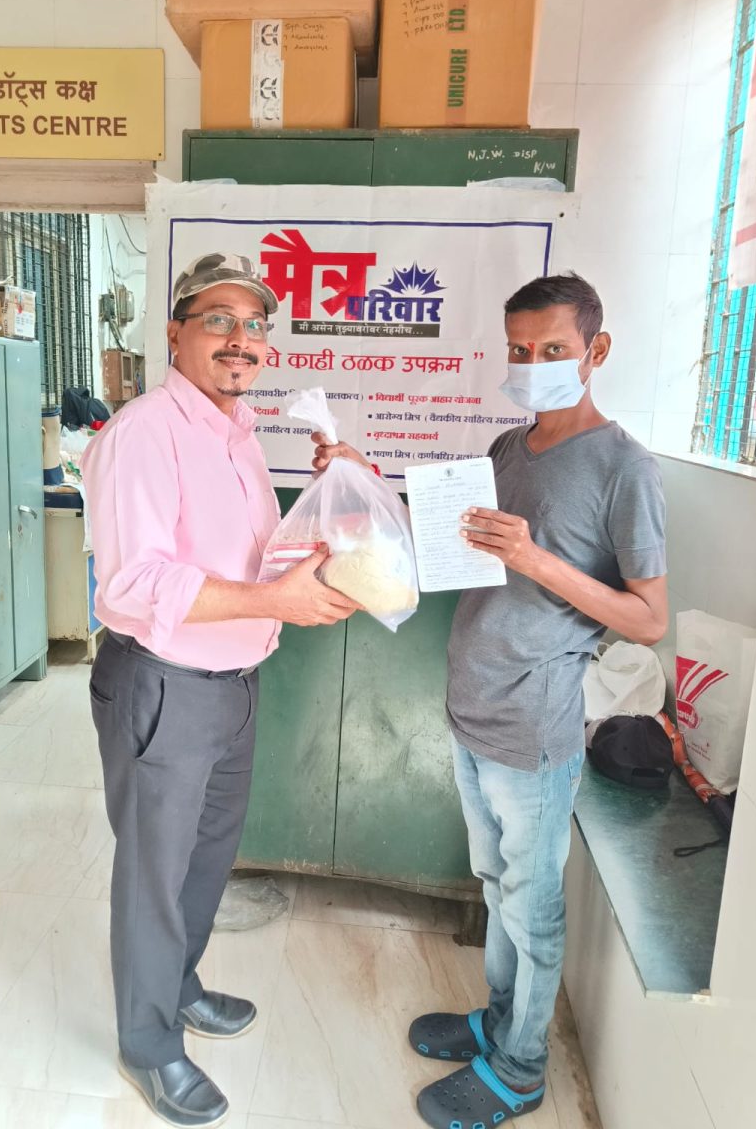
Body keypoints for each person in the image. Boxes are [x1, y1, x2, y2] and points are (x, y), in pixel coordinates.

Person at [312, 272, 667, 1128]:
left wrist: (537, 559)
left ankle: (521, 1069)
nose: (532, 364)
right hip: (473, 712)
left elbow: (649, 619)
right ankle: (499, 1024)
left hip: (534, 727)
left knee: (531, 908)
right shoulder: (511, 448)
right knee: (497, 883)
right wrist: (366, 480)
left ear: (596, 350)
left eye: (553, 349)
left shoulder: (625, 468)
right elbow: (452, 545)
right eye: (519, 349)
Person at [83, 253, 359, 1129]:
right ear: (176, 333)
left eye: (254, 325)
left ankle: (178, 985)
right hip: (164, 684)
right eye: (218, 320)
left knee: (206, 859)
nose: (241, 339)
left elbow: (246, 563)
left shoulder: (238, 434)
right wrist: (275, 602)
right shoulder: (144, 433)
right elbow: (136, 583)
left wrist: (332, 506)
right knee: (155, 874)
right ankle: (148, 1044)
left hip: (232, 683)